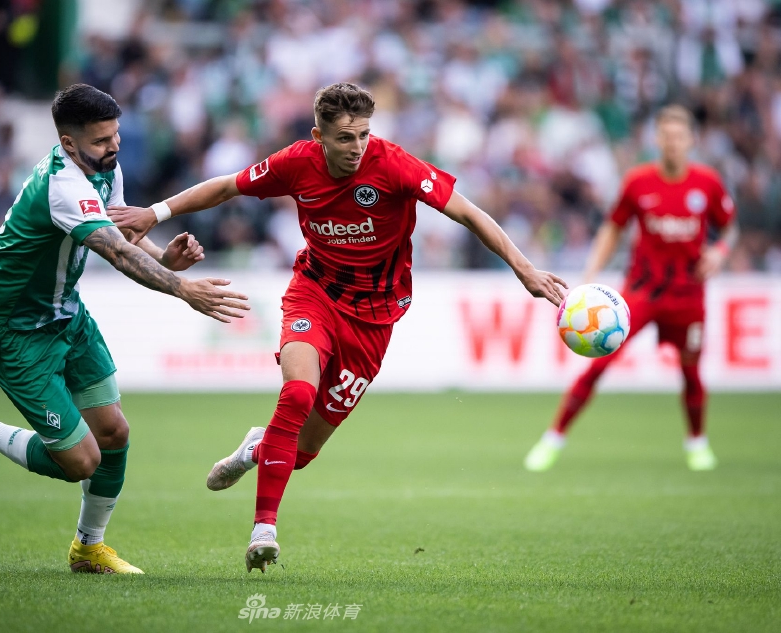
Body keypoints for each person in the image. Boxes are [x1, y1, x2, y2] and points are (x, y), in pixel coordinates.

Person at [108, 82, 567, 572]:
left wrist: (524, 269)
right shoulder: (295, 163)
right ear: (319, 136)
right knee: (297, 394)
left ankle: (255, 448)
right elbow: (226, 186)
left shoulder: (395, 166)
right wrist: (155, 212)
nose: (357, 147)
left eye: (364, 134)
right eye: (345, 137)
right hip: (316, 293)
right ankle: (264, 529)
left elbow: (469, 213)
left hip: (374, 318)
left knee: (303, 450)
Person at [0, 84, 250, 574]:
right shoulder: (63, 186)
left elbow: (121, 232)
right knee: (80, 462)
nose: (113, 146)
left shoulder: (104, 167)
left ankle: (89, 548)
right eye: (100, 140)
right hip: (15, 331)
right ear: (68, 143)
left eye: (115, 135)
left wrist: (165, 258)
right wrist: (182, 288)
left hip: (66, 314)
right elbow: (116, 252)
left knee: (113, 432)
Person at [524, 105, 737, 473]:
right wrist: (591, 272)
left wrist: (719, 251)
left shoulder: (708, 183)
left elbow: (729, 227)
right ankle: (553, 438)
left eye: (679, 136)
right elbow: (613, 228)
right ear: (657, 139)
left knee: (691, 372)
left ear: (691, 140)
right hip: (641, 292)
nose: (672, 143)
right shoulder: (638, 182)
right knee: (599, 363)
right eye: (665, 136)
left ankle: (697, 442)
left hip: (688, 295)